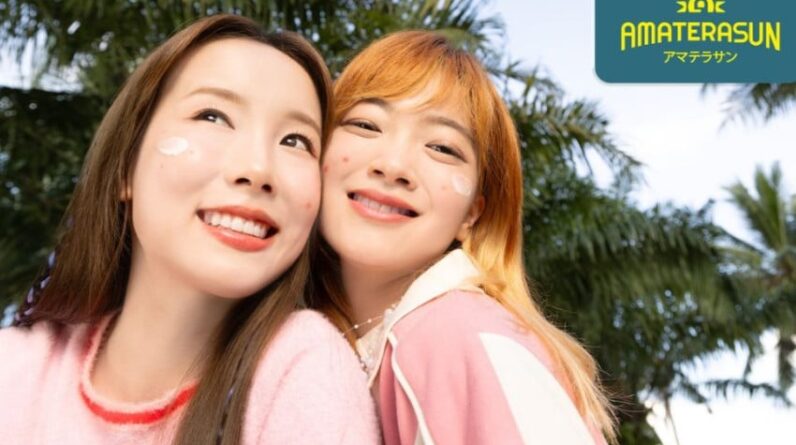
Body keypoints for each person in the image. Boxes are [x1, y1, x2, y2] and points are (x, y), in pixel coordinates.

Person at [0, 14, 378, 445]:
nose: (258, 169)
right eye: (213, 116)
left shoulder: (304, 369)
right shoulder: (15, 371)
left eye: (295, 141)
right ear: (125, 166)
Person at [311, 30, 616, 444]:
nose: (393, 165)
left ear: (472, 212)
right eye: (366, 125)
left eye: (441, 148)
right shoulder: (323, 346)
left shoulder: (454, 334)